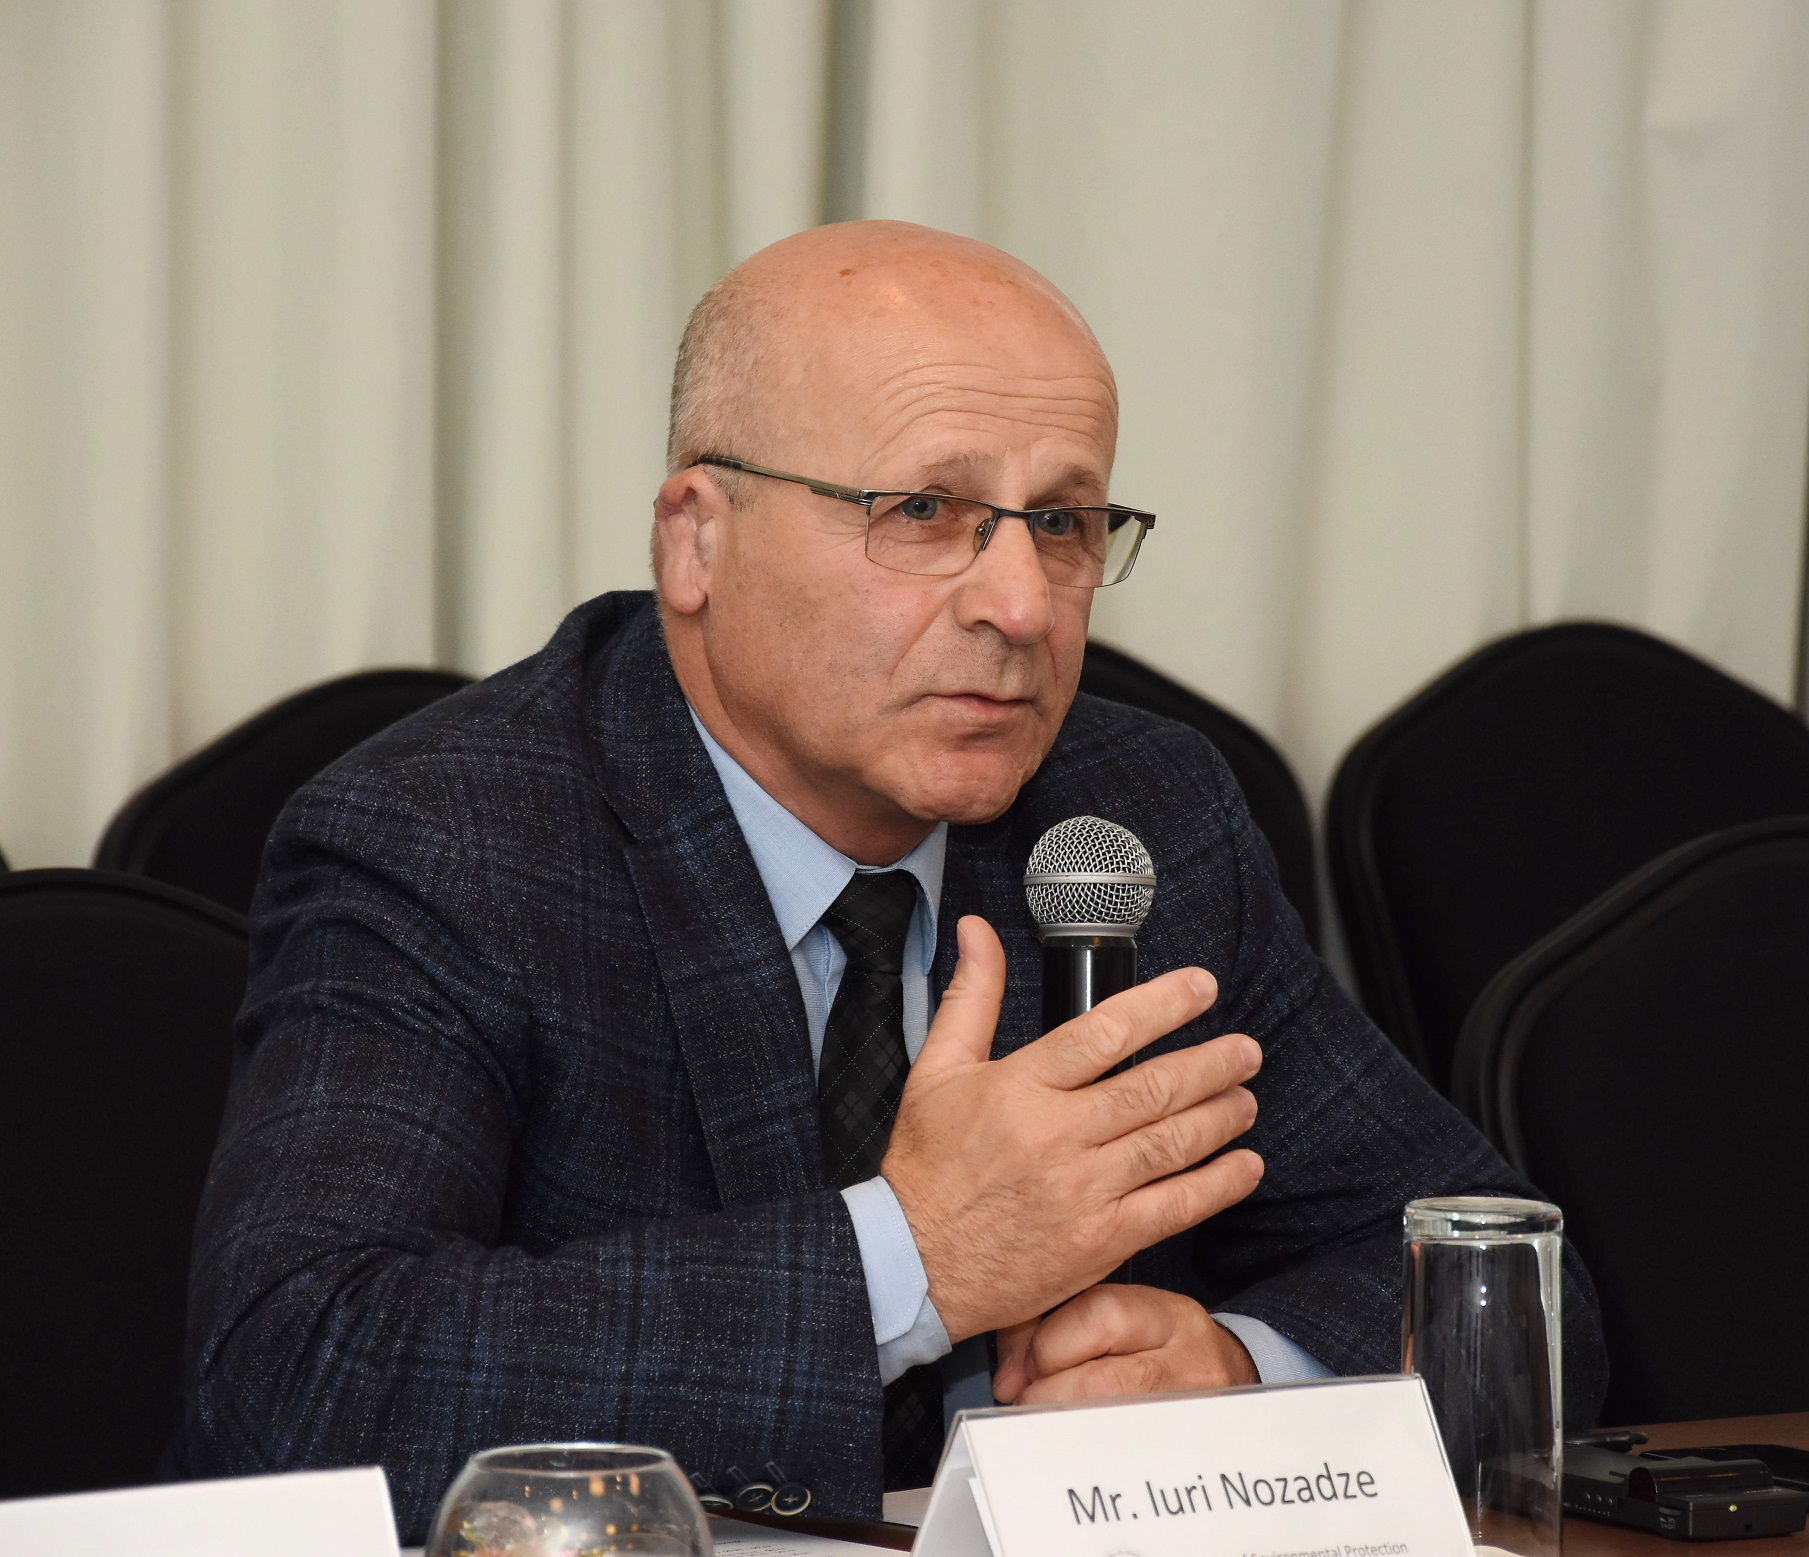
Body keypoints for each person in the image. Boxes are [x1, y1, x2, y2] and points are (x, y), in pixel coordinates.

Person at [177, 221, 1604, 1538]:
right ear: (695, 538)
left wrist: (1235, 1373)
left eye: (1064, 523)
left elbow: (1501, 1285)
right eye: (922, 509)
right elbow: (297, 1372)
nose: (1021, 605)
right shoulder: (450, 835)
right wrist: (913, 1257)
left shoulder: (1136, 814)